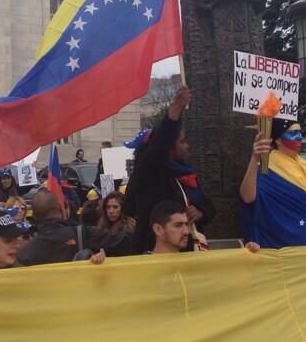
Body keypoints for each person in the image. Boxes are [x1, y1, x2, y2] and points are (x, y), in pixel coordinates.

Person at [124, 87, 214, 252]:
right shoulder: (150, 170)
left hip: (187, 251)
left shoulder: (185, 173)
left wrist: (201, 211)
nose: (187, 146)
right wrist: (176, 108)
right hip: (154, 251)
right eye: (182, 141)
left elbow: (207, 205)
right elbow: (160, 142)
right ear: (168, 148)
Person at [16, 191, 124, 266]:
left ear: (33, 216)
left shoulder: (24, 253)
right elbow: (127, 243)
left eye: (115, 207)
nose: (111, 210)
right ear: (61, 210)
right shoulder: (84, 233)